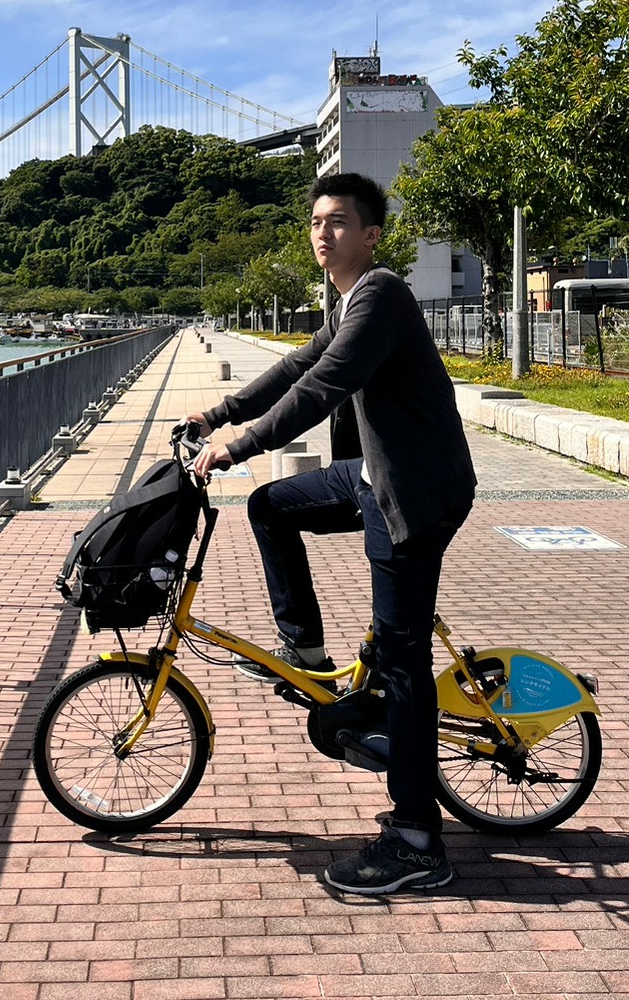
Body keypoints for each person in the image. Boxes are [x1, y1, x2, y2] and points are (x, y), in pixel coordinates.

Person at [184, 172, 476, 896]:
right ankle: (306, 652)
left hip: (412, 494)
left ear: (371, 234)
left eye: (339, 221)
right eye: (316, 220)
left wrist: (236, 444)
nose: (323, 232)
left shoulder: (379, 293)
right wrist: (214, 414)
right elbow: (295, 364)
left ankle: (415, 841)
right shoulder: (348, 300)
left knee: (405, 664)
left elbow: (325, 387)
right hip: (374, 475)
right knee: (271, 506)